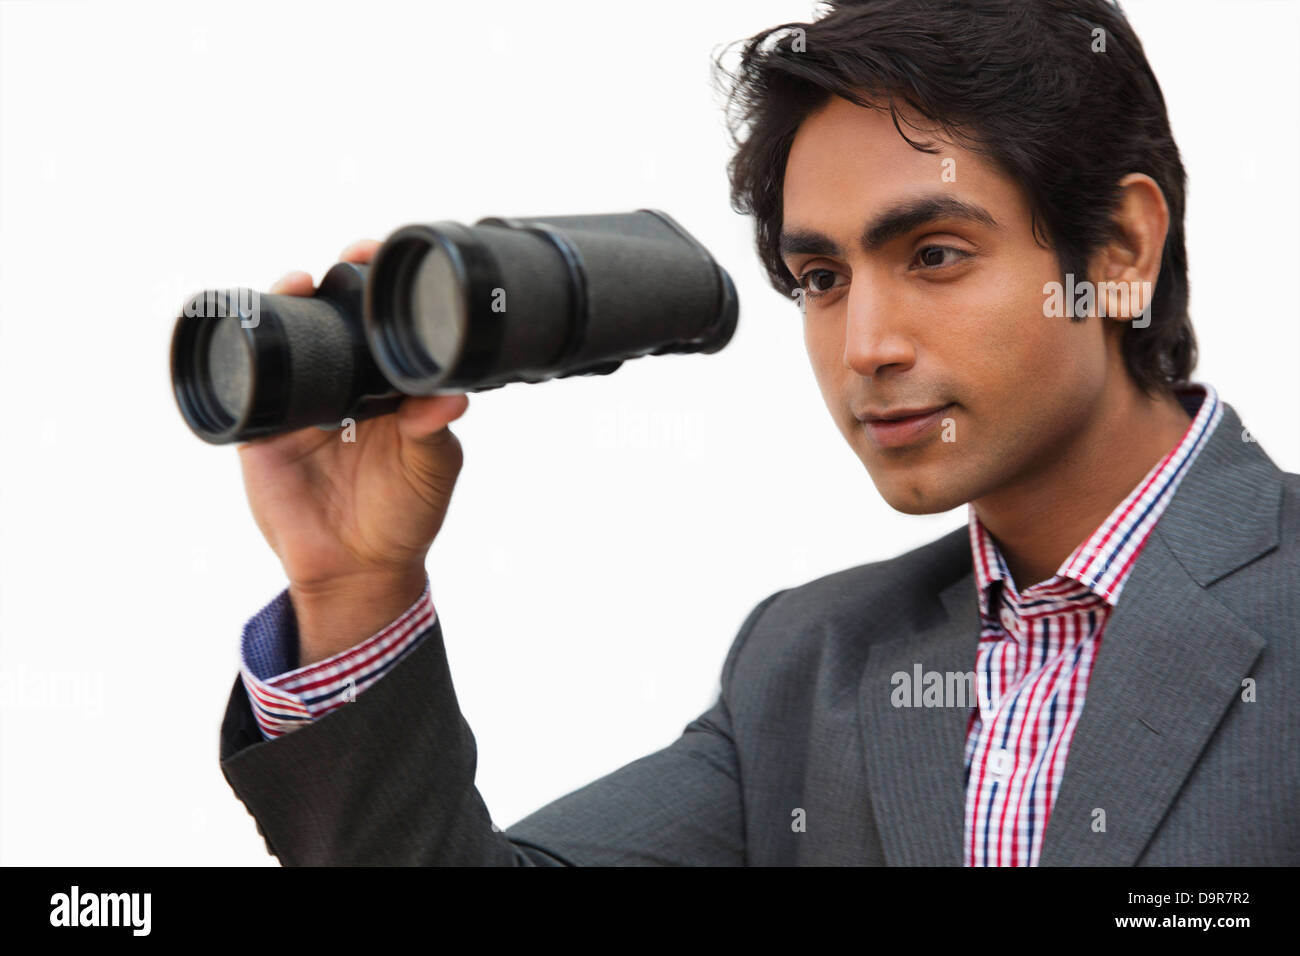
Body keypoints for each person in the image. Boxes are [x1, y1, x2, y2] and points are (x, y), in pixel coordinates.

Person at [218, 0, 1300, 865]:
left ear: (1117, 249)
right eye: (820, 278)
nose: (863, 343)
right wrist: (355, 585)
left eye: (932, 252)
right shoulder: (805, 666)